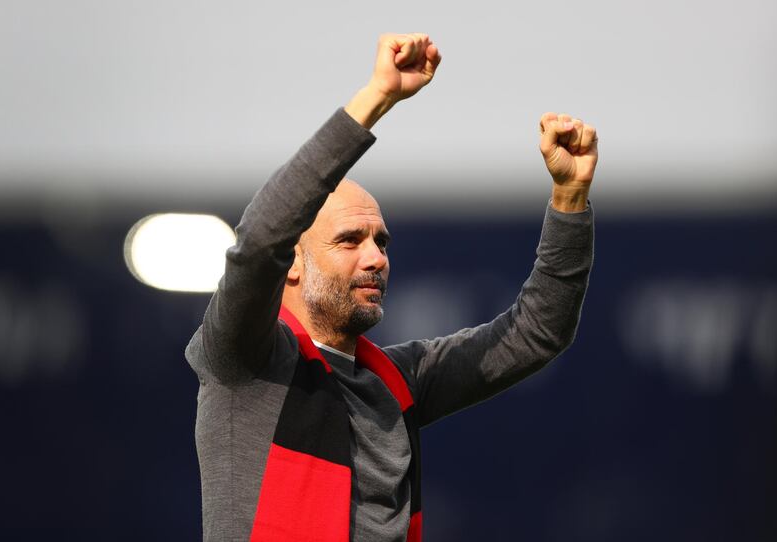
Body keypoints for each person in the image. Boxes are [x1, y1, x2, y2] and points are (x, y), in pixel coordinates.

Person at [186, 32, 597, 542]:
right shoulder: (246, 361)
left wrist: (570, 195)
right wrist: (377, 98)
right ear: (293, 260)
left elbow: (539, 331)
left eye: (381, 241)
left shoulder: (398, 381)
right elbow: (259, 239)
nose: (376, 257)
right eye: (350, 240)